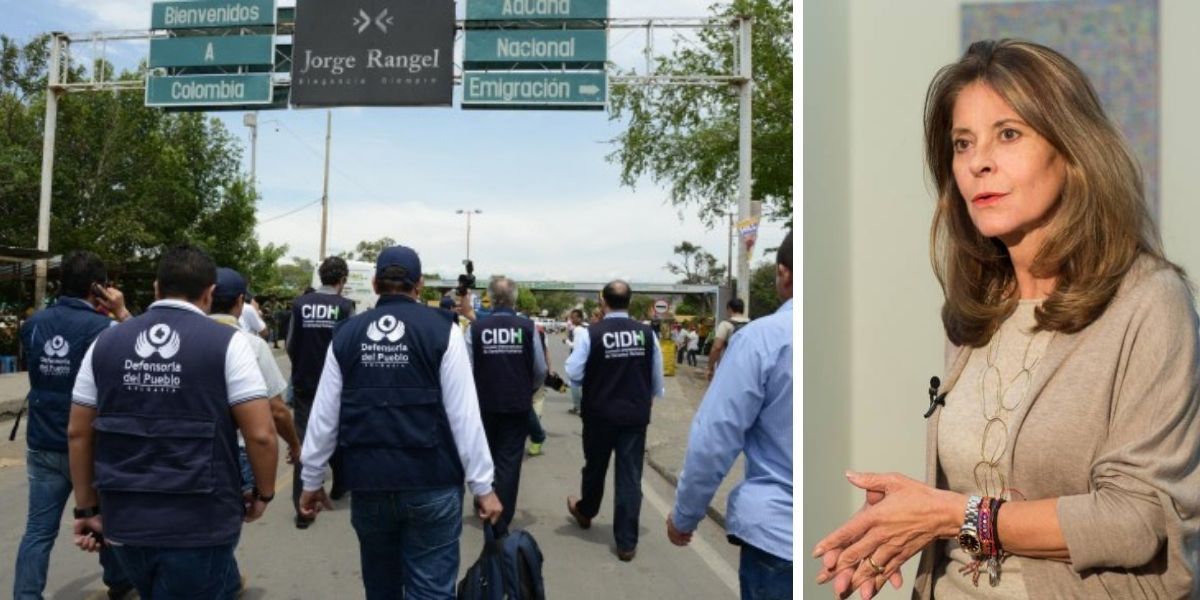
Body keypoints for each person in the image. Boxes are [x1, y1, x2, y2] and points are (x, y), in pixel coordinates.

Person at [814, 39, 1200, 600]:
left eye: (1009, 134)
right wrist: (903, 528)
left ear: (1072, 150)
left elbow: (1137, 520)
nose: (978, 162)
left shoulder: (1149, 302)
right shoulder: (974, 313)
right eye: (962, 143)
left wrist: (950, 516)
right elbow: (982, 493)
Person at [67, 245, 278, 598]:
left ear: (155, 288)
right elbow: (260, 435)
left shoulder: (106, 341)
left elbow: (77, 431)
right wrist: (264, 493)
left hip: (125, 520)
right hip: (201, 523)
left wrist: (86, 507)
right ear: (209, 293)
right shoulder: (230, 344)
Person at [297, 245, 502, 599]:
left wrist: (312, 478)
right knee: (432, 591)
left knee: (381, 589)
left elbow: (324, 416)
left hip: (369, 484)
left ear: (375, 284)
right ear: (419, 284)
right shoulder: (444, 331)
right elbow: (464, 414)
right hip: (433, 483)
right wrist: (483, 486)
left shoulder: (345, 335)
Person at [667, 234, 793, 599]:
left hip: (777, 543)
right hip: (860, 550)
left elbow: (713, 440)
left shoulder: (762, 339)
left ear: (783, 274)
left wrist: (684, 517)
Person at [14, 251, 134, 600]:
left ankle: (25, 595)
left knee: (38, 530)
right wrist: (121, 312)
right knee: (105, 518)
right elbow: (139, 350)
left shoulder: (33, 325)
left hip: (42, 443)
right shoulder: (107, 329)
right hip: (92, 446)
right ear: (99, 288)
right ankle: (119, 582)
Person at [565, 280, 665, 562]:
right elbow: (656, 377)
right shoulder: (646, 333)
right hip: (634, 415)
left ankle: (586, 511)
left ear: (602, 302)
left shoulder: (590, 334)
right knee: (630, 476)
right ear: (629, 302)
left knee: (595, 467)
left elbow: (574, 373)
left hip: (599, 414)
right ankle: (626, 543)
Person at [463, 276, 546, 532]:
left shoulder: (475, 329)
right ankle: (502, 518)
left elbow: (466, 370)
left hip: (483, 404)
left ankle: (482, 502)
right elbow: (540, 369)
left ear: (490, 298)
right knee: (509, 462)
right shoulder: (527, 327)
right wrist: (528, 389)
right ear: (514, 298)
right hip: (516, 404)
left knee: (483, 456)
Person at [286, 256, 354, 528]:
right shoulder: (345, 306)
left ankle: (302, 510)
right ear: (342, 280)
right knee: (337, 432)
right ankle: (340, 485)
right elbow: (349, 347)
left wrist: (301, 365)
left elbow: (291, 343)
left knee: (304, 442)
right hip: (336, 384)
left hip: (305, 382)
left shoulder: (300, 304)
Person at [706, 298, 751, 380]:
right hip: (748, 367)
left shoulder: (725, 324)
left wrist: (710, 367)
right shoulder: (753, 324)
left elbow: (717, 347)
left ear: (730, 309)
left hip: (728, 367)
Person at [565, 309, 587, 415]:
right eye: (571, 317)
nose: (572, 319)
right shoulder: (584, 328)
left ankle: (577, 407)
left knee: (574, 384)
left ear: (580, 318)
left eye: (574, 317)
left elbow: (576, 346)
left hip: (579, 360)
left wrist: (567, 341)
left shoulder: (577, 330)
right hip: (585, 359)